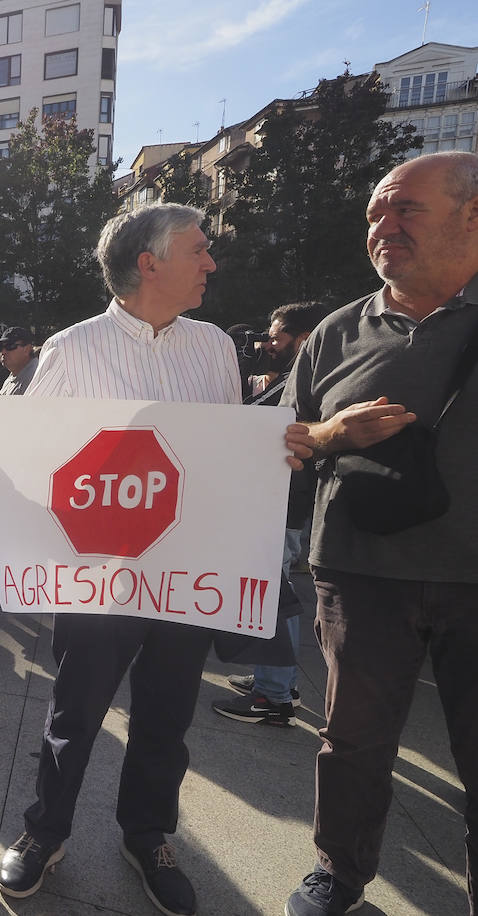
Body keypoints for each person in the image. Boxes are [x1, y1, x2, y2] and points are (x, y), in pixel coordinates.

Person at [0, 203, 237, 915]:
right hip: (97, 579)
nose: (211, 262)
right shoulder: (72, 349)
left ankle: (148, 834)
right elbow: (32, 461)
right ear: (149, 263)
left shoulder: (215, 349)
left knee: (166, 719)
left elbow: (228, 463)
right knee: (75, 713)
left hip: (185, 576)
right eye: (198, 250)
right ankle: (44, 831)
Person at [279, 151, 478, 916]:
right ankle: (338, 873)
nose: (383, 228)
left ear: (472, 214)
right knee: (353, 742)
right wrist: (330, 434)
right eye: (374, 215)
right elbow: (288, 444)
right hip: (360, 575)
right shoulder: (336, 332)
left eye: (405, 210)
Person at [213, 301, 324, 728]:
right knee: (272, 593)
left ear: (305, 337)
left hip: (281, 502)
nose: (269, 343)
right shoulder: (299, 376)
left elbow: (265, 421)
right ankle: (277, 680)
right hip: (277, 501)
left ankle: (273, 695)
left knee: (273, 599)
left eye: (278, 336)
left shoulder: (311, 376)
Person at [0, 326, 39, 395]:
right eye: (1, 347)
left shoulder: (36, 376)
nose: (3, 351)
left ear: (27, 349)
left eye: (10, 346)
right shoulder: (12, 376)